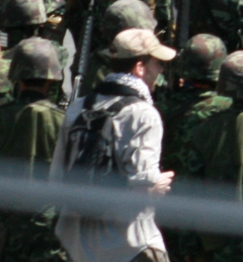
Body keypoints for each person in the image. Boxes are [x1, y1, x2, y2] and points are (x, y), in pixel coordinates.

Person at [51, 27, 178, 262]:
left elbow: (57, 178)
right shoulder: (143, 114)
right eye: (157, 63)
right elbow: (143, 186)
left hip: (78, 246)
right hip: (130, 246)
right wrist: (158, 185)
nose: (160, 70)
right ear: (140, 67)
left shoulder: (78, 107)